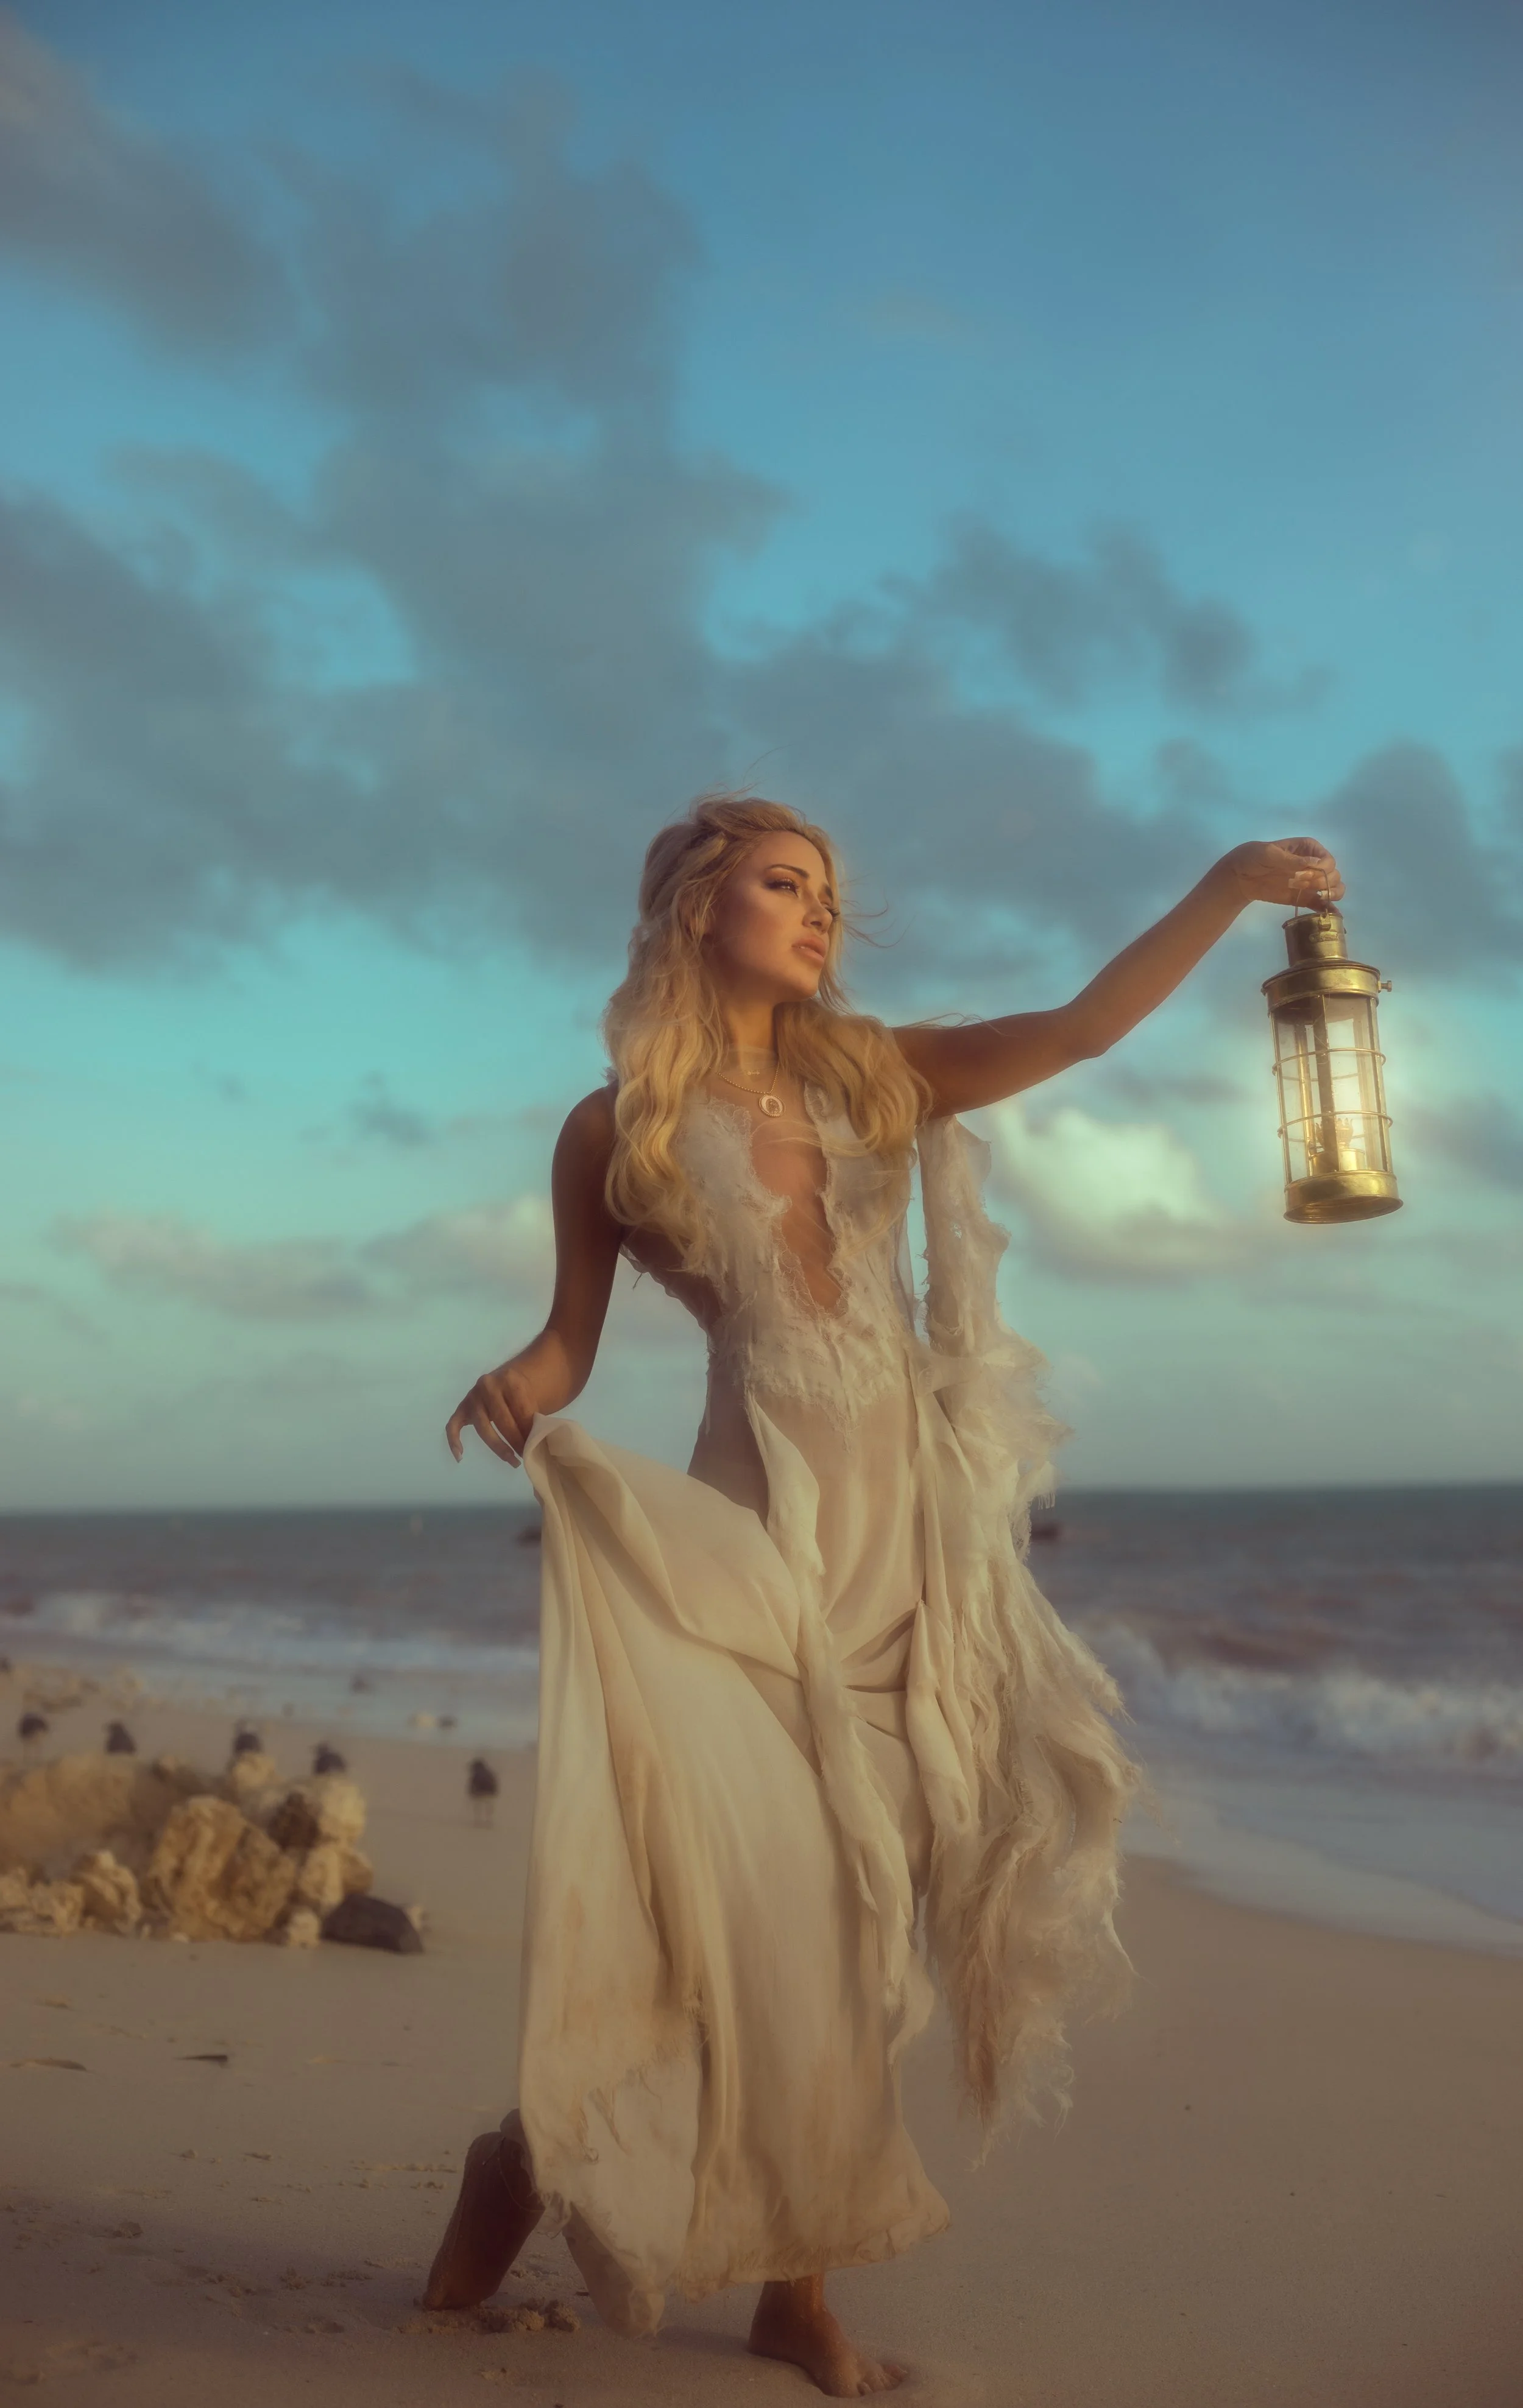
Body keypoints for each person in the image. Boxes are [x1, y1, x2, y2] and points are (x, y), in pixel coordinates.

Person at [423, 795, 1341, 2397]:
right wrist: (522, 1379)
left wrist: (1227, 885)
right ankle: (541, 2161)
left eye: (831, 893)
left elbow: (1079, 1027)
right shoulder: (614, 1123)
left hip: (905, 1560)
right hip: (750, 1553)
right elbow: (571, 1340)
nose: (819, 914)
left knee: (856, 1929)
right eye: (785, 885)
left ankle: (761, 2270)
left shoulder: (875, 1075)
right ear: (696, 905)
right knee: (747, 1919)